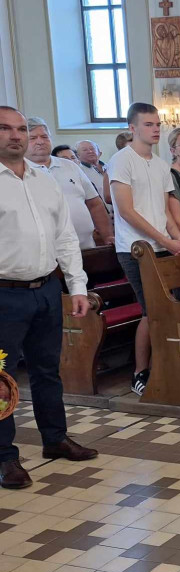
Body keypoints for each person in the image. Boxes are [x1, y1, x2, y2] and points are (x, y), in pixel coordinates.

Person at [0, 107, 98, 490]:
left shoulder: (44, 179)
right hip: (3, 294)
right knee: (2, 378)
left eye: (21, 129)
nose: (16, 136)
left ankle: (54, 439)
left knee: (46, 370)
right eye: (5, 128)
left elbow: (65, 238)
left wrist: (77, 286)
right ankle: (5, 457)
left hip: (45, 290)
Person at [108, 102, 180, 396]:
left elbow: (165, 212)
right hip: (135, 249)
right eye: (148, 124)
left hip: (161, 245)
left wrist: (175, 237)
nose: (156, 129)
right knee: (150, 310)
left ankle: (166, 366)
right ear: (132, 128)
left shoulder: (159, 165)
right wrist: (165, 240)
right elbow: (127, 211)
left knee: (168, 308)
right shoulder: (121, 160)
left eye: (157, 124)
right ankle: (140, 372)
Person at [26, 118, 113, 249]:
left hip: (86, 246)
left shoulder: (70, 167)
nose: (40, 141)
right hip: (46, 252)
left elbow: (94, 204)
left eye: (44, 136)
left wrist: (107, 236)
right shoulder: (19, 170)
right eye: (32, 138)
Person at [74, 139, 112, 212]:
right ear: (77, 155)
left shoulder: (110, 167)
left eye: (92, 149)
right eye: (85, 150)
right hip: (97, 213)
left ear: (100, 153)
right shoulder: (79, 171)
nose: (90, 151)